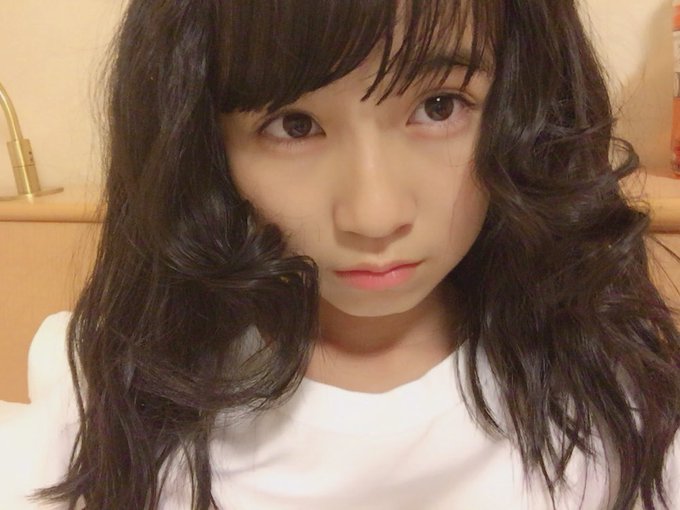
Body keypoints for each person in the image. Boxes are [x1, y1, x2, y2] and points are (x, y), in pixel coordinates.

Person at [1, 0, 679, 508]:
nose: (374, 215)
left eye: (440, 106)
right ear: (202, 148)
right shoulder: (110, 386)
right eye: (293, 125)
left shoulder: (619, 388)